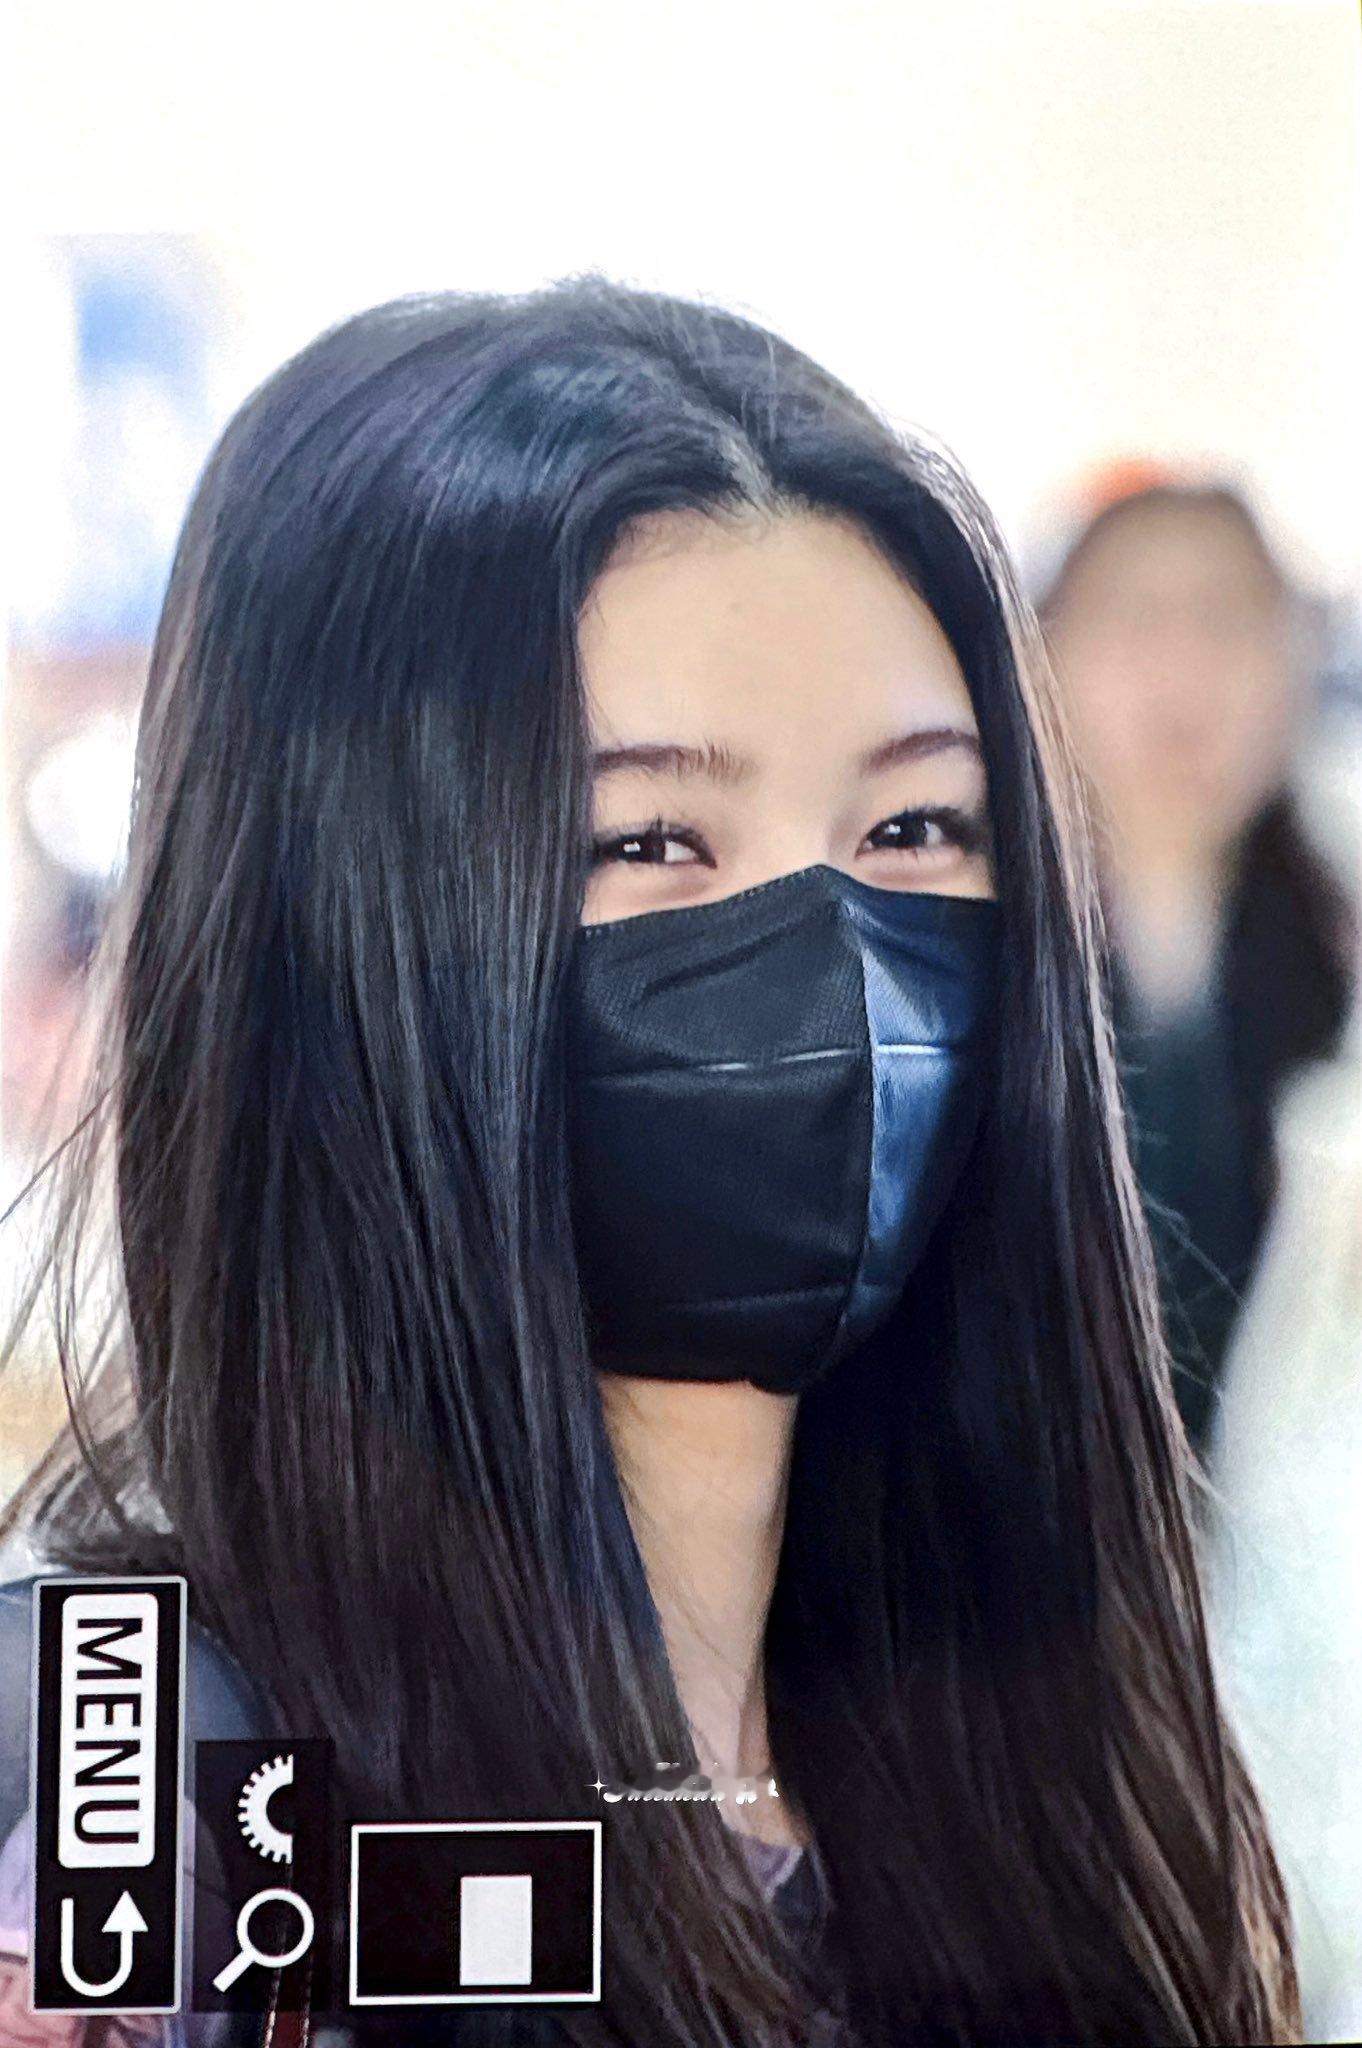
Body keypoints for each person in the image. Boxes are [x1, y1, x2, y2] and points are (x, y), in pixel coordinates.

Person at [0, 279, 1299, 2046]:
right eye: (655, 839)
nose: (830, 954)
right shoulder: (138, 1760)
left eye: (911, 825)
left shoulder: (1039, 1757)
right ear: (351, 927)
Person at [1036, 478, 1355, 1457]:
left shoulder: (1338, 964)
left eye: (1229, 618)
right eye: (1137, 617)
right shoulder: (966, 969)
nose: (1185, 668)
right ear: (1042, 657)